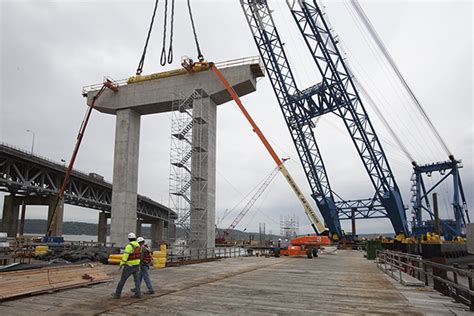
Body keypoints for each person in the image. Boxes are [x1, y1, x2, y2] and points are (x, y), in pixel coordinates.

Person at [114, 232, 141, 299]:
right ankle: (138, 294)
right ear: (135, 238)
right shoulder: (138, 246)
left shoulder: (129, 246)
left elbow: (125, 256)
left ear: (129, 239)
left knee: (122, 280)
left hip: (129, 266)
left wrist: (121, 264)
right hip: (136, 266)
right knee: (137, 281)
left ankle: (117, 294)